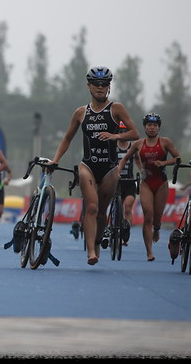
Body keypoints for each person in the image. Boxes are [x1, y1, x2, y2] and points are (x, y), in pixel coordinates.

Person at [48, 66, 139, 266]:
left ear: (109, 87)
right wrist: (55, 160)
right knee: (91, 206)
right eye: (96, 84)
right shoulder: (81, 112)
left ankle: (97, 241)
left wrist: (115, 135)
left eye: (104, 84)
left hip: (110, 168)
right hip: (87, 165)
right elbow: (67, 139)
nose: (100, 87)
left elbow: (135, 133)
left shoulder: (116, 109)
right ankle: (90, 251)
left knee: (101, 212)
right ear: (89, 86)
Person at [117, 113, 180, 262]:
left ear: (158, 127)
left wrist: (163, 163)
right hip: (146, 183)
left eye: (155, 125)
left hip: (161, 183)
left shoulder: (165, 142)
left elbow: (177, 158)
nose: (152, 128)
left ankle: (157, 229)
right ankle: (149, 252)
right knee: (148, 216)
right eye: (149, 125)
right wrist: (118, 173)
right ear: (145, 127)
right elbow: (125, 158)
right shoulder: (138, 144)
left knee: (157, 218)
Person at [115, 121, 141, 246]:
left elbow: (137, 160)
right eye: (120, 132)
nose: (122, 134)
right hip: (116, 181)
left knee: (128, 206)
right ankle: (115, 229)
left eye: (124, 132)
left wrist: (142, 171)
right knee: (117, 207)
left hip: (129, 181)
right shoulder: (113, 145)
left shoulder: (132, 146)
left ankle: (125, 232)